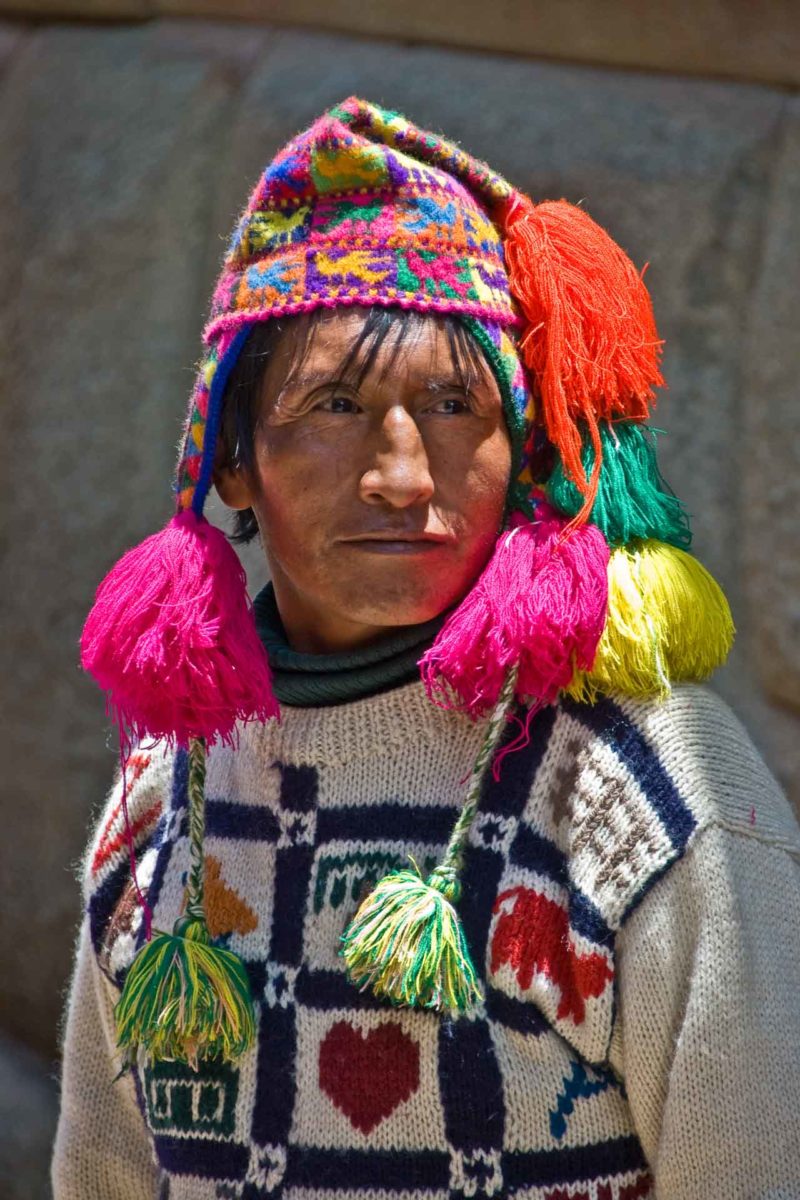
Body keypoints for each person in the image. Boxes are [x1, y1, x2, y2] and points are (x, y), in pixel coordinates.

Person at [52, 97, 800, 1200]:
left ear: (523, 454)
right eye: (335, 404)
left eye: (455, 404)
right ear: (231, 463)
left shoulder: (640, 789)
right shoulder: (167, 799)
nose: (402, 477)